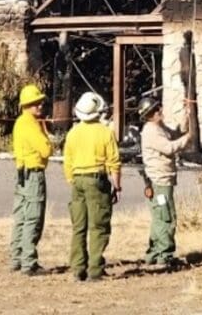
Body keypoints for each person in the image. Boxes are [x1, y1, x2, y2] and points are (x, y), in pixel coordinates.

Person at [63, 91, 122, 282]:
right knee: (98, 226)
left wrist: (72, 180)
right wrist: (117, 186)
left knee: (78, 226)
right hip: (96, 179)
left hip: (77, 180)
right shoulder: (105, 132)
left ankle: (77, 269)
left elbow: (68, 161)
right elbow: (114, 161)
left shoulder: (72, 133)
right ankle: (95, 270)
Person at [139, 96, 192, 266]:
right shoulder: (150, 131)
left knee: (159, 217)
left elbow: (173, 134)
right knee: (166, 217)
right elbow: (169, 147)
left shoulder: (158, 127)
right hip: (159, 181)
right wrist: (188, 138)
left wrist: (187, 116)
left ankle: (155, 252)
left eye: (159, 108)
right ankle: (164, 254)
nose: (160, 111)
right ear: (149, 114)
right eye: (156, 110)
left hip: (163, 179)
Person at [9, 83, 53, 275]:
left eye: (40, 102)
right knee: (33, 218)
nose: (40, 106)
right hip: (34, 173)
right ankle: (29, 262)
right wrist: (45, 132)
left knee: (21, 216)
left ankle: (16, 257)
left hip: (22, 173)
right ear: (27, 105)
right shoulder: (31, 125)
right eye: (36, 103)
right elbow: (46, 149)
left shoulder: (19, 122)